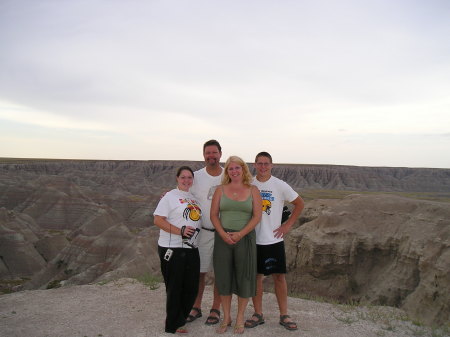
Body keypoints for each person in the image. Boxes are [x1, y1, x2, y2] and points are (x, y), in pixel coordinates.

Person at [245, 152, 305, 331]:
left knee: (279, 277)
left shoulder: (280, 185)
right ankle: (258, 313)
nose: (263, 167)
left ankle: (284, 314)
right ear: (254, 165)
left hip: (274, 240)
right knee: (256, 278)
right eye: (260, 163)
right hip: (254, 239)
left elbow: (299, 203)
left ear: (272, 165)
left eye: (266, 163)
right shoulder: (249, 184)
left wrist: (287, 226)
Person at [210, 156, 262, 334]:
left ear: (243, 170)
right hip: (223, 238)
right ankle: (226, 317)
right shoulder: (220, 190)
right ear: (227, 172)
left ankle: (240, 316)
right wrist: (223, 234)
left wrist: (240, 234)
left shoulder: (253, 190)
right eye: (230, 169)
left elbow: (257, 216)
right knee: (223, 277)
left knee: (244, 277)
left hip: (245, 239)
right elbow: (214, 215)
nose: (234, 171)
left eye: (237, 168)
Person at [153, 166, 202, 334]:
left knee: (191, 287)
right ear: (177, 178)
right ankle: (172, 325)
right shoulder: (169, 197)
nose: (186, 180)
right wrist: (179, 231)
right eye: (183, 177)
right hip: (171, 248)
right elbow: (158, 220)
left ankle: (180, 317)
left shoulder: (193, 198)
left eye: (189, 177)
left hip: (191, 248)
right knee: (174, 287)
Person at [186, 140, 223, 325]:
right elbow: (184, 194)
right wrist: (166, 196)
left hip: (224, 233)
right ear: (203, 155)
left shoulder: (228, 175)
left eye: (214, 153)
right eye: (208, 153)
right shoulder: (197, 177)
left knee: (220, 273)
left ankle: (216, 308)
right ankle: (196, 306)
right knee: (199, 272)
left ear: (220, 154)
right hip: (203, 232)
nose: (211, 156)